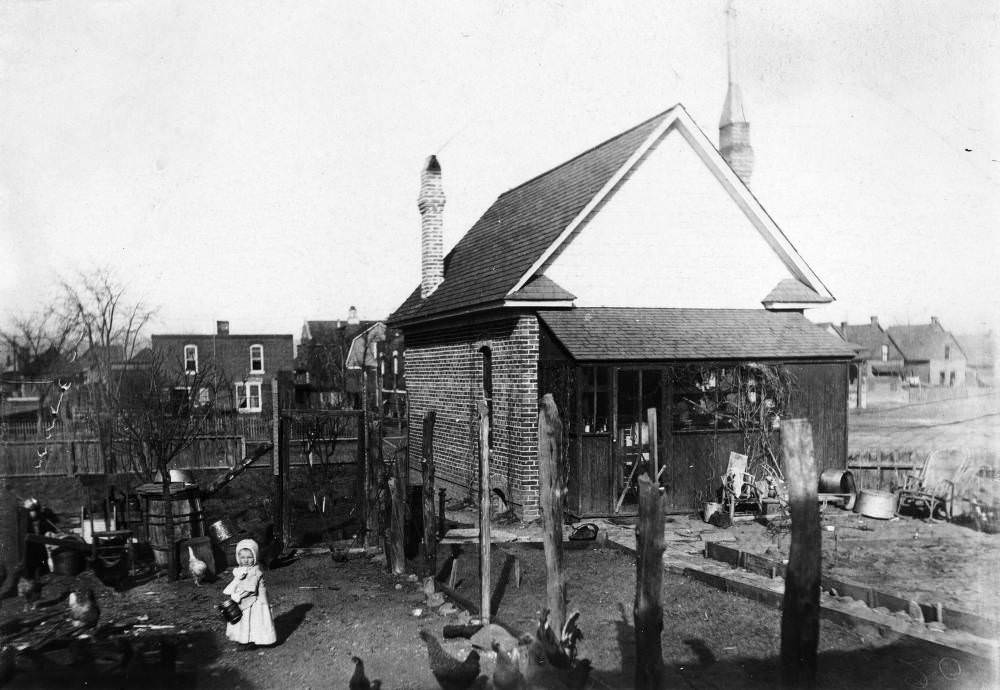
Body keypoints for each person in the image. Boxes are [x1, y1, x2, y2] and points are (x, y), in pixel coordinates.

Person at [222, 539, 276, 649]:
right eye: (242, 557)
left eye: (249, 557)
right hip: (246, 599)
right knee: (245, 619)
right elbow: (238, 582)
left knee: (254, 619)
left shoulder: (255, 571)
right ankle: (245, 639)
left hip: (256, 600)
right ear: (238, 558)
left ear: (255, 557)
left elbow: (250, 589)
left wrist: (237, 596)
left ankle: (253, 639)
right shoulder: (241, 570)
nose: (246, 560)